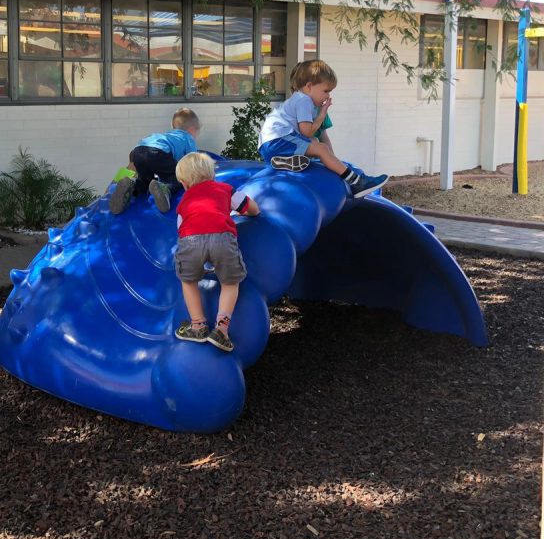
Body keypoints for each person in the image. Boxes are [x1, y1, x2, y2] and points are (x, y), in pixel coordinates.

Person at [258, 60, 388, 198]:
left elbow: (309, 136)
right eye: (325, 91)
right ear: (309, 86)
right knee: (321, 149)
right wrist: (322, 114)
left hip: (270, 145)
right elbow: (306, 131)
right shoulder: (304, 101)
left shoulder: (297, 99)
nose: (327, 96)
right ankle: (356, 182)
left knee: (314, 142)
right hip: (277, 141)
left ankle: (284, 161)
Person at [172, 152, 260, 352]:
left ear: (185, 184)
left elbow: (180, 227)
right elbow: (249, 206)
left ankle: (198, 325)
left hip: (190, 239)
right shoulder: (224, 189)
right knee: (230, 283)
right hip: (223, 237)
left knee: (188, 281)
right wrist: (255, 213)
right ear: (212, 175)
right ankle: (221, 330)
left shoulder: (184, 200)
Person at [109, 107, 201, 215]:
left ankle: (131, 187)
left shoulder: (168, 136)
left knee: (146, 183)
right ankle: (165, 188)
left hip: (138, 151)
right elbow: (193, 160)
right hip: (157, 152)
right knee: (181, 177)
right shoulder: (187, 137)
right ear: (192, 130)